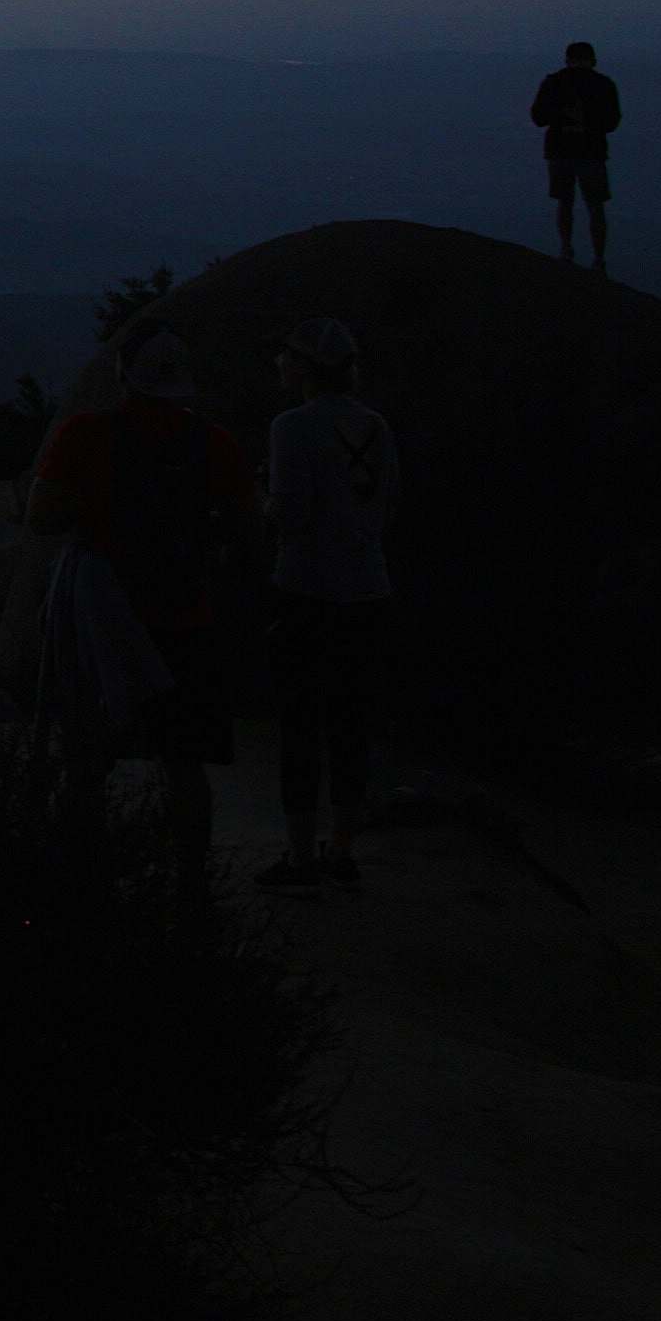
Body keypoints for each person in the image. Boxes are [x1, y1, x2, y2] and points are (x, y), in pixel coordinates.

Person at [24, 329, 250, 903]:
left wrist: (105, 507)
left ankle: (81, 879)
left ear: (123, 375)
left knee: (86, 759)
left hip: (102, 618)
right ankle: (191, 889)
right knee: (183, 763)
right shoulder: (214, 443)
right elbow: (244, 526)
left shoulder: (85, 435)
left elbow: (41, 515)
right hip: (185, 617)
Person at [252, 318, 397, 895]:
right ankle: (342, 849)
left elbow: (287, 514)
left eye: (286, 357)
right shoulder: (376, 426)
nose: (280, 367)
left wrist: (259, 500)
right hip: (368, 590)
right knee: (350, 722)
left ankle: (298, 854)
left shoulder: (290, 428)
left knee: (300, 723)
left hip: (306, 590)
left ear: (304, 368)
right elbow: (389, 506)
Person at [531, 40, 623, 271]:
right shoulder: (603, 85)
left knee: (565, 203)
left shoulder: (554, 83)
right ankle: (599, 258)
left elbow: (538, 118)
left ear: (567, 59)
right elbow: (612, 122)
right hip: (591, 153)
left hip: (559, 151)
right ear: (592, 60)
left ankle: (565, 250)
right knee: (595, 206)